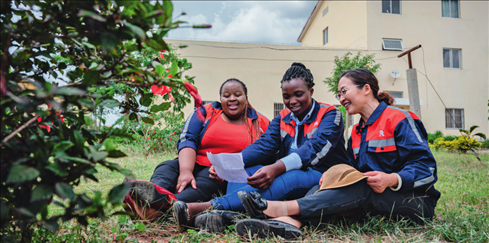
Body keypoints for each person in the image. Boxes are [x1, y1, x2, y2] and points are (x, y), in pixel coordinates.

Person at [234, 68, 441, 240]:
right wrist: (334, 176)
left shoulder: (399, 118)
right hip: (375, 200)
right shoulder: (357, 132)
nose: (341, 99)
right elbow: (354, 170)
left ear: (366, 89)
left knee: (361, 188)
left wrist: (392, 179)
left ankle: (277, 209)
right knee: (323, 185)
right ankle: (290, 223)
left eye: (344, 91)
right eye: (338, 94)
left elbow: (427, 169)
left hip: (415, 201)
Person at [172, 62, 349, 232]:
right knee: (244, 169)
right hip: (285, 170)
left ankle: (207, 207)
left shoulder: (330, 114)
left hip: (322, 173)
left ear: (311, 92)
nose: (292, 101)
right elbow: (265, 145)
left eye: (299, 94)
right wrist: (230, 163)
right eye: (286, 97)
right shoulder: (283, 116)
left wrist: (276, 168)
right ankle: (228, 216)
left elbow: (313, 149)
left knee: (291, 176)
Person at [123, 78, 269, 221]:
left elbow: (268, 150)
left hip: (219, 172)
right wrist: (186, 171)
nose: (232, 99)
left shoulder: (259, 122)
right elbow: (188, 138)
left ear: (246, 98)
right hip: (192, 161)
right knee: (165, 168)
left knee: (202, 186)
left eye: (237, 95)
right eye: (226, 95)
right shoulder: (206, 112)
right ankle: (146, 197)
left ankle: (150, 209)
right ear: (220, 99)